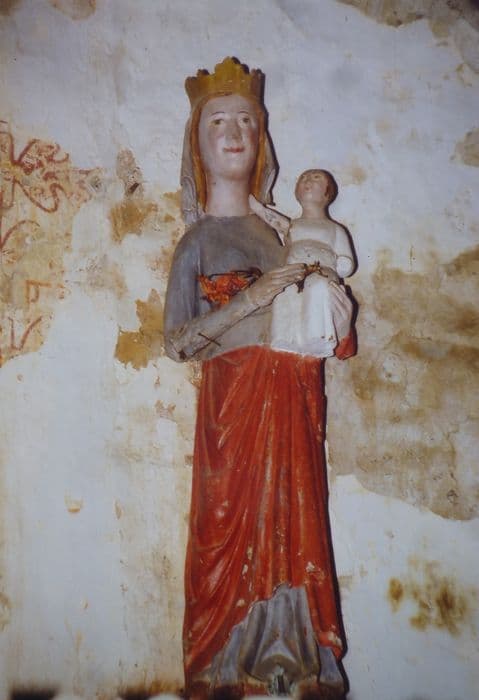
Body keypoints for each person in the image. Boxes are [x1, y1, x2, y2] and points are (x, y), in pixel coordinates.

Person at [164, 58, 356, 699]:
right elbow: (177, 342)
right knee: (226, 521)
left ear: (263, 139)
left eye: (247, 120)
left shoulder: (286, 234)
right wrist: (251, 299)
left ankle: (300, 659)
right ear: (197, 143)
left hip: (290, 397)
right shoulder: (196, 241)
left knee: (294, 520)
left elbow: (323, 325)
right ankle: (223, 660)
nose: (234, 132)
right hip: (231, 405)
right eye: (218, 121)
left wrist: (333, 311)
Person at [250, 169, 355, 358]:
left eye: (316, 178)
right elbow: (271, 219)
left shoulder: (334, 229)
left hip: (322, 270)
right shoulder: (293, 226)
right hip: (294, 270)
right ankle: (284, 337)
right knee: (284, 293)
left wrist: (345, 263)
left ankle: (317, 336)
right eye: (303, 178)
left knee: (317, 286)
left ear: (328, 193)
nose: (308, 180)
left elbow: (345, 256)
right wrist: (256, 206)